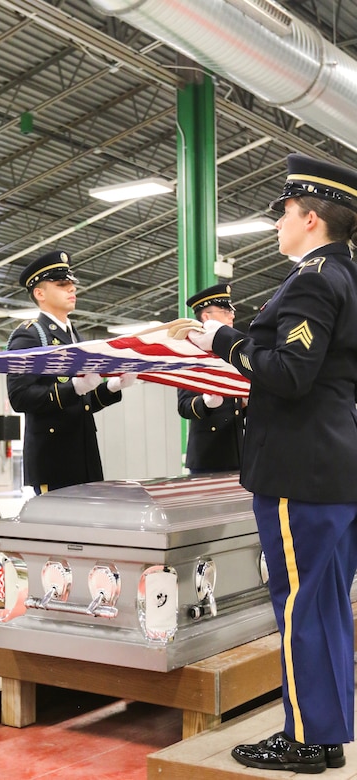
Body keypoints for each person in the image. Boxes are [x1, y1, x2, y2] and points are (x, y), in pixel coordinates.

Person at [170, 153, 357, 773]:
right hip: (333, 467)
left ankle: (304, 738)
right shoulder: (347, 277)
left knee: (300, 604)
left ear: (309, 218)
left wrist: (221, 342)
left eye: (282, 214)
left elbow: (289, 374)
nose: (277, 224)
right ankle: (323, 731)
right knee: (326, 602)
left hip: (298, 470)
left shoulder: (311, 280)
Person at [6, 250, 135, 494]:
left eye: (72, 284)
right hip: (53, 459)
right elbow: (19, 397)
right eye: (62, 284)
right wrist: (74, 387)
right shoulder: (30, 335)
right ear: (40, 293)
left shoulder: (75, 337)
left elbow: (83, 404)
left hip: (84, 455)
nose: (72, 289)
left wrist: (110, 388)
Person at [177, 284, 245, 473]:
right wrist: (205, 403)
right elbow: (184, 406)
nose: (232, 315)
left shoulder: (230, 350)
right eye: (225, 311)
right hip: (208, 456)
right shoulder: (190, 353)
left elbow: (236, 407)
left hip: (238, 451)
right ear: (206, 316)